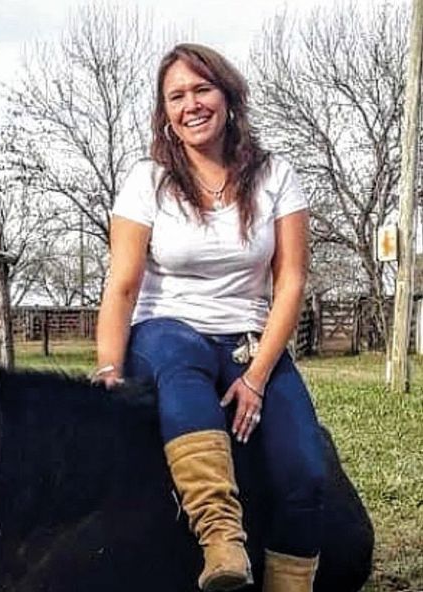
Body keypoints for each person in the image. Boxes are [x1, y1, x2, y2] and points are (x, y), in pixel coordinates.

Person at [94, 43, 324, 592]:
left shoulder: (275, 175)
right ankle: (221, 540)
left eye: (202, 89)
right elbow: (122, 284)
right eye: (176, 96)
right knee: (179, 359)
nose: (191, 105)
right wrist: (107, 367)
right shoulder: (147, 180)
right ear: (165, 113)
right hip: (164, 331)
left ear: (228, 96)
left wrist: (257, 377)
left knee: (306, 474)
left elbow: (291, 280)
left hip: (247, 338)